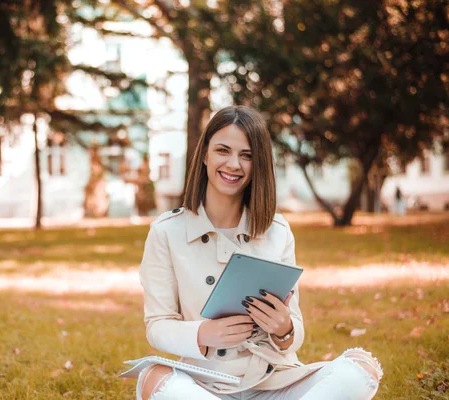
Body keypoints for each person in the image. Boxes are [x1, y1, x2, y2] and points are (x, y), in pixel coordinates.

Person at [134, 106, 383, 399]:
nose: (233, 164)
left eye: (247, 155)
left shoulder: (277, 231)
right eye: (223, 150)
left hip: (274, 382)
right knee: (154, 378)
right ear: (204, 155)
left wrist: (284, 328)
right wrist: (203, 334)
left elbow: (295, 332)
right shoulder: (167, 231)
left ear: (259, 164)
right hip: (205, 384)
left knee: (361, 369)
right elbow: (158, 325)